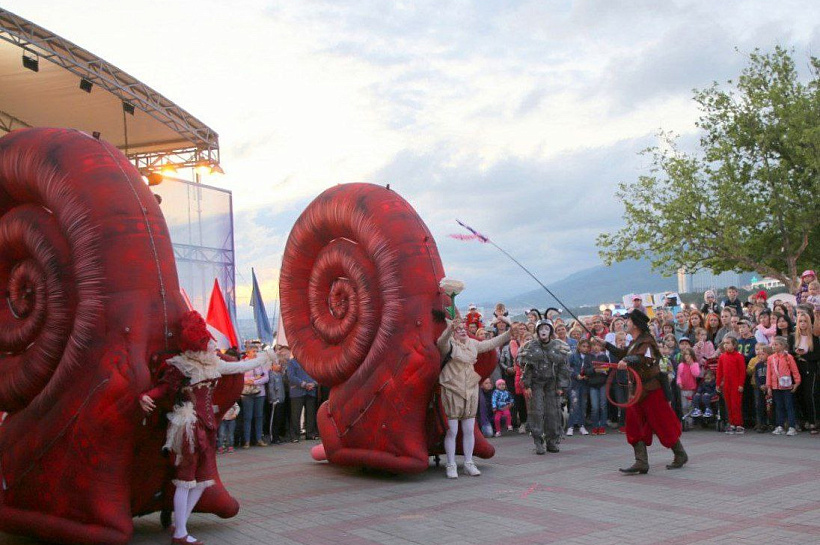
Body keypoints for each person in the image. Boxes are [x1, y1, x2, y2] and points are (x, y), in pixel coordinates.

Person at [140, 310, 276, 545]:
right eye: (205, 343)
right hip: (189, 426)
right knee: (185, 478)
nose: (210, 346)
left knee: (202, 481)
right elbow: (163, 389)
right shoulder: (182, 367)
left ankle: (180, 524)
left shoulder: (214, 365)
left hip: (205, 427)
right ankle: (180, 532)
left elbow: (240, 368)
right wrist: (146, 396)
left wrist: (266, 357)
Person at [604, 309, 688, 473]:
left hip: (651, 389)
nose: (625, 323)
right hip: (637, 390)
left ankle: (680, 454)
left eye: (628, 321)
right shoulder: (635, 341)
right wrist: (606, 345)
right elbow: (625, 353)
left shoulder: (647, 341)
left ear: (635, 324)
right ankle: (641, 461)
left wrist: (627, 360)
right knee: (634, 424)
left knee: (663, 423)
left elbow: (645, 359)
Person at [437, 317, 511, 478]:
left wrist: (509, 332)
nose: (463, 330)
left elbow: (491, 343)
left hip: (470, 388)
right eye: (459, 329)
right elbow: (441, 342)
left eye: (464, 328)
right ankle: (451, 464)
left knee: (469, 429)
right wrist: (450, 329)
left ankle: (469, 463)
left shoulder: (472, 344)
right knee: (452, 431)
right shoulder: (449, 345)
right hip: (452, 388)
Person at [520, 319, 571, 454]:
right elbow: (526, 368)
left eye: (546, 329)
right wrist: (527, 385)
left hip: (552, 383)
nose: (543, 331)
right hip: (536, 383)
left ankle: (552, 441)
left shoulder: (557, 346)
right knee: (536, 412)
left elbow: (563, 367)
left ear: (550, 331)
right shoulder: (531, 346)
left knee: (553, 413)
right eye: (541, 329)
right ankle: (538, 442)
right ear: (537, 331)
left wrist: (561, 385)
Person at [792, 312, 820, 434]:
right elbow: (789, 352)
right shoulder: (793, 337)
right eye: (800, 321)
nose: (802, 323)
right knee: (800, 395)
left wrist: (805, 355)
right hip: (797, 368)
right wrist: (797, 354)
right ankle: (803, 421)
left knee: (810, 395)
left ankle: (813, 421)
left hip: (810, 368)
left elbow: (817, 355)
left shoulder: (814, 338)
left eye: (805, 321)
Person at [768, 336, 801, 435]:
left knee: (789, 406)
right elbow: (769, 374)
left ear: (783, 346)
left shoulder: (788, 357)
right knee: (779, 406)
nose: (773, 346)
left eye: (776, 344)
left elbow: (795, 371)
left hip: (787, 386)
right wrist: (769, 386)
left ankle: (792, 426)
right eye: (773, 344)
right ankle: (780, 426)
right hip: (775, 386)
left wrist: (797, 383)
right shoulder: (771, 358)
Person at [285, 349, 319, 442]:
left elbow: (317, 374)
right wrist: (303, 384)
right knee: (296, 414)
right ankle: (295, 436)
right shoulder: (292, 362)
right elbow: (291, 376)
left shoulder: (310, 362)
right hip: (297, 391)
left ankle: (310, 433)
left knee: (310, 413)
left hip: (311, 391)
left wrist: (314, 383)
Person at [240, 348, 269, 448]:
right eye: (253, 351)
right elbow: (240, 377)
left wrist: (255, 382)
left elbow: (266, 377)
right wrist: (251, 379)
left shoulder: (260, 363)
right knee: (248, 417)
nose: (255, 353)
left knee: (259, 416)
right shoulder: (243, 363)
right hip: (247, 393)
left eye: (256, 351)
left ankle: (259, 439)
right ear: (247, 353)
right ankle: (247, 440)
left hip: (260, 392)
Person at [717, 336, 746, 434]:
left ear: (734, 345)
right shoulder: (722, 357)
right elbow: (719, 371)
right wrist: (718, 383)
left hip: (736, 384)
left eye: (728, 343)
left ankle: (739, 424)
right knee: (728, 405)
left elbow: (742, 372)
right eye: (724, 343)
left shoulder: (739, 356)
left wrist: (741, 385)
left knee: (735, 405)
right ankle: (732, 423)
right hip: (726, 385)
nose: (725, 345)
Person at [566, 338, 592, 437]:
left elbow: (591, 369)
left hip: (584, 384)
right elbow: (568, 367)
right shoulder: (573, 355)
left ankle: (582, 425)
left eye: (587, 347)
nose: (585, 349)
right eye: (583, 346)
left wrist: (587, 375)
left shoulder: (589, 357)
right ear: (579, 346)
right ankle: (570, 426)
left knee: (583, 405)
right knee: (574, 404)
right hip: (574, 384)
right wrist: (576, 374)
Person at [587, 337, 610, 435]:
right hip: (593, 384)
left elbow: (608, 369)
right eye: (594, 345)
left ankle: (602, 426)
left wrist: (603, 370)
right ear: (591, 347)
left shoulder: (604, 357)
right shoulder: (588, 357)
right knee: (595, 407)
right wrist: (594, 370)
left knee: (603, 405)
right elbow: (586, 370)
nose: (596, 347)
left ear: (601, 347)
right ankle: (595, 426)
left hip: (602, 383)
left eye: (598, 345)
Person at [748, 344, 772, 432]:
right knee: (759, 405)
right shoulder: (758, 365)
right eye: (759, 353)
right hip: (759, 388)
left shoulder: (770, 364)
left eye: (763, 354)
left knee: (769, 406)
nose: (760, 355)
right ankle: (760, 424)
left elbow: (771, 375)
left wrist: (768, 385)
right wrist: (760, 385)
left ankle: (771, 423)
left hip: (769, 387)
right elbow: (756, 377)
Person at [677, 348, 701, 430]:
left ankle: (690, 422)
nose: (687, 356)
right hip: (683, 388)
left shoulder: (695, 364)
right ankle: (685, 420)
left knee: (690, 405)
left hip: (691, 388)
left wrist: (691, 365)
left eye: (689, 354)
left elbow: (696, 374)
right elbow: (679, 375)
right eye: (686, 354)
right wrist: (679, 383)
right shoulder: (681, 365)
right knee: (684, 406)